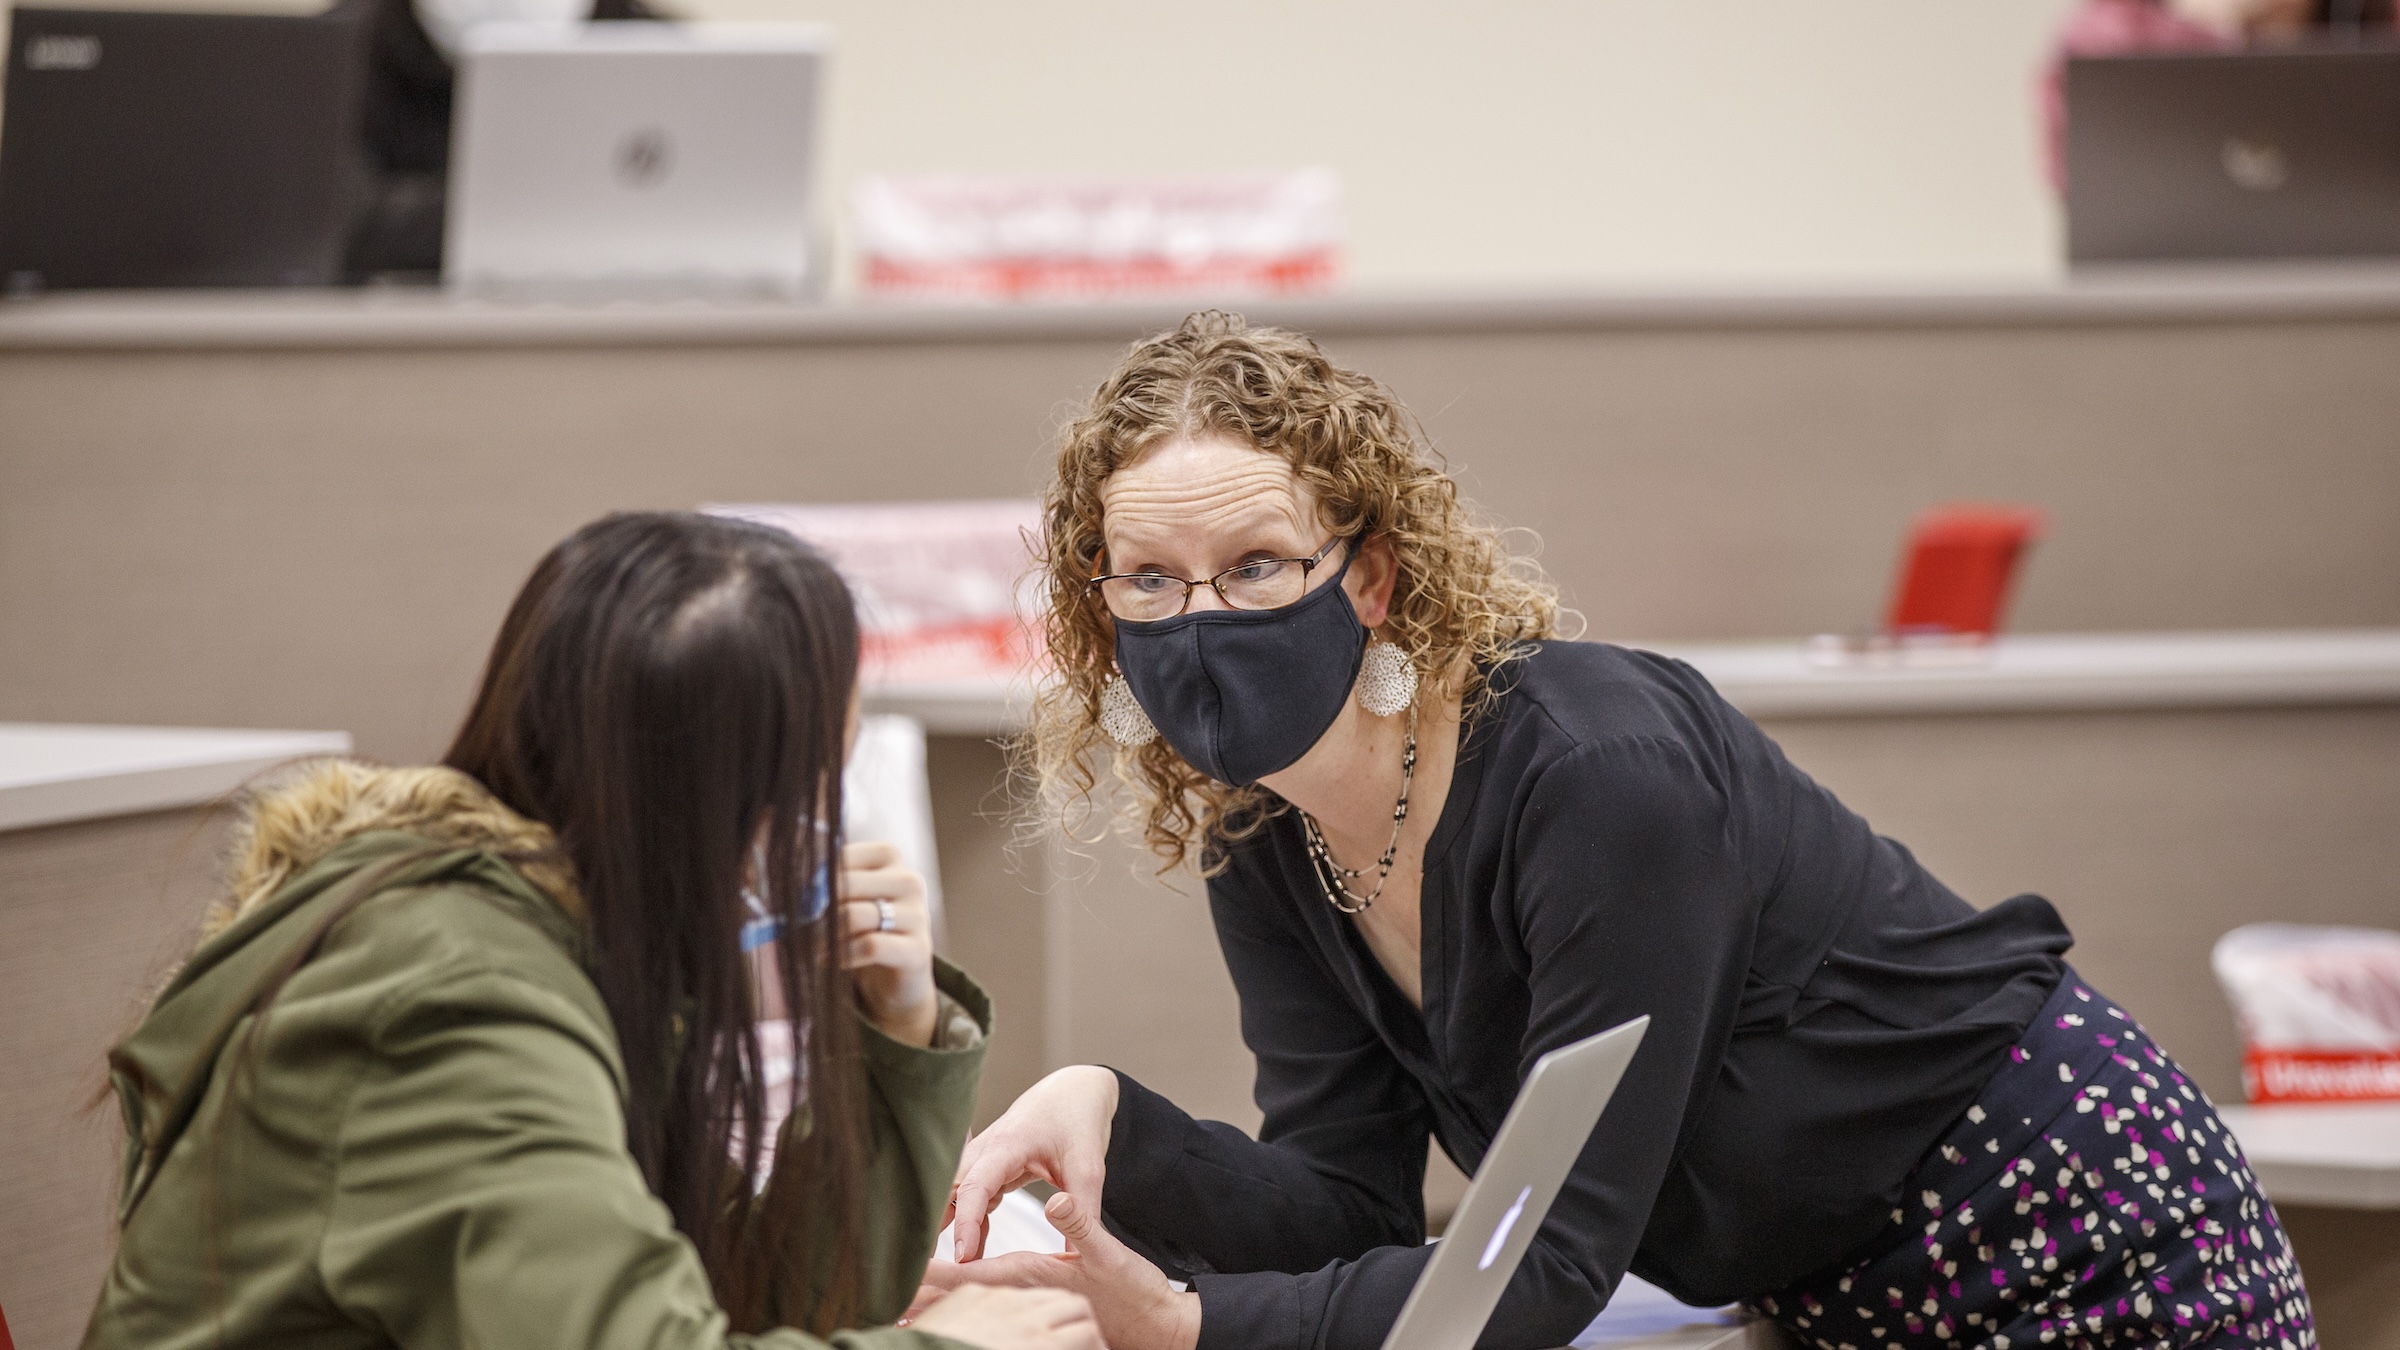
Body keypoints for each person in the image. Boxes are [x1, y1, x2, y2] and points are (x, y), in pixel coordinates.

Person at [922, 314, 2318, 1350]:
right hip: (1837, 1304)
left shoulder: (1599, 774)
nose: (1203, 620)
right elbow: (1351, 1204)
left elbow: (1542, 1261)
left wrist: (1193, 1327)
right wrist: (1118, 1123)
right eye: (1149, 582)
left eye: (1256, 566)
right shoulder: (1269, 832)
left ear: (1372, 578)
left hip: (2080, 1243)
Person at [79, 512, 1101, 1350]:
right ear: (698, 804)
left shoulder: (570, 943)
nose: (824, 832)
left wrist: (897, 1035)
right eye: (809, 787)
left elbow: (772, 1305)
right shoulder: (448, 1005)